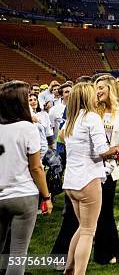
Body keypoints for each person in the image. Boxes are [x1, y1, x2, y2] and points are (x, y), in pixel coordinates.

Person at [61, 82, 119, 275]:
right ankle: (78, 272)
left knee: (83, 228)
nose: (96, 95)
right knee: (89, 231)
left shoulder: (71, 120)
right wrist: (118, 148)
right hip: (88, 180)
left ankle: (69, 268)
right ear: (86, 97)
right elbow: (101, 151)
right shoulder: (91, 117)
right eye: (93, 93)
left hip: (71, 181)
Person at [0, 81, 53, 275]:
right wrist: (46, 197)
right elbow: (36, 167)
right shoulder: (27, 127)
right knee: (17, 255)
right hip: (23, 195)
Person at [93, 74, 119, 264]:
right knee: (98, 209)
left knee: (106, 208)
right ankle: (106, 252)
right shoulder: (93, 110)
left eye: (101, 87)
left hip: (112, 167)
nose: (98, 91)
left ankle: (107, 252)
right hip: (93, 164)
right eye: (96, 88)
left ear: (111, 88)